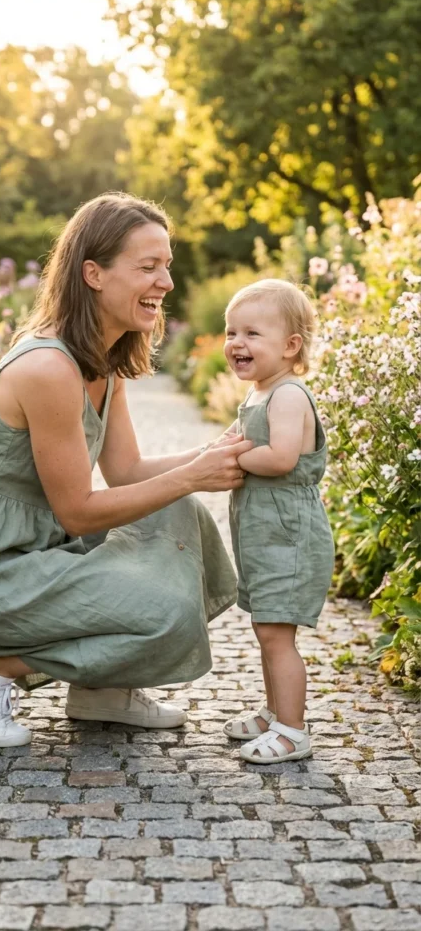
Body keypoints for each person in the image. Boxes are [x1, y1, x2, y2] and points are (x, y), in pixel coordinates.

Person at [0, 192, 251, 749]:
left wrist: (217, 453)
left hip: (29, 547)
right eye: (148, 267)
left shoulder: (103, 358)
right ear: (93, 274)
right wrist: (194, 473)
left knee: (178, 516)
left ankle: (103, 690)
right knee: (163, 610)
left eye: (167, 265)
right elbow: (77, 509)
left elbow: (128, 470)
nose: (166, 281)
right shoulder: (48, 368)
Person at [222, 279, 335, 764]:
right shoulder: (257, 395)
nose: (236, 344)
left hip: (289, 537)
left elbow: (282, 457)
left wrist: (237, 456)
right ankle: (274, 711)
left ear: (290, 346)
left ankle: (293, 729)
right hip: (265, 537)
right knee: (267, 629)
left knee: (276, 634)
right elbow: (230, 439)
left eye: (252, 333)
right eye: (231, 332)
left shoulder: (288, 395)